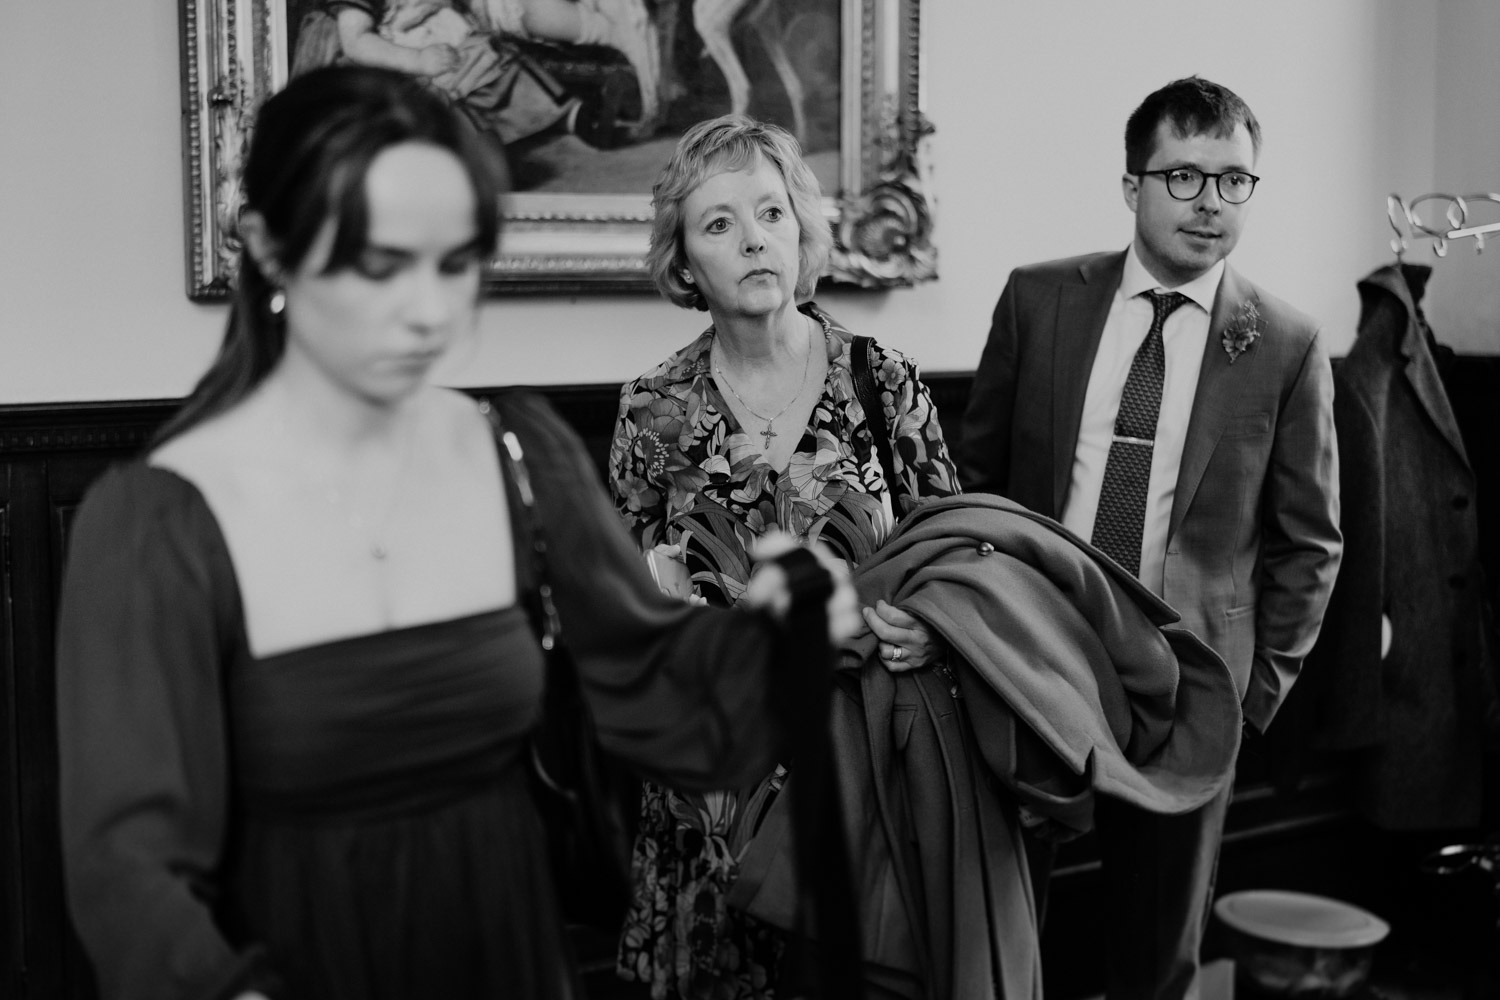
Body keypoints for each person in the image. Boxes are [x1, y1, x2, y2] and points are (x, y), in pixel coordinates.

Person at [55, 65, 858, 1000]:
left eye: (452, 263)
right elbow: (129, 871)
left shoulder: (514, 454)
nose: (429, 310)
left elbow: (659, 681)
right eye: (379, 263)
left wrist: (776, 627)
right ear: (270, 248)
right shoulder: (157, 523)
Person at [956, 76, 1342, 1000]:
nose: (1211, 202)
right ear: (1133, 185)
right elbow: (975, 484)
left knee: (1157, 950)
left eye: (1234, 180)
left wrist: (1250, 696)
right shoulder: (1040, 300)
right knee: (998, 929)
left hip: (1190, 684)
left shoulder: (1286, 342)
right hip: (1034, 659)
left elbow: (1310, 542)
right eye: (1184, 176)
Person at [608, 113, 959, 998]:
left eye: (771, 213)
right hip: (712, 792)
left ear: (801, 230)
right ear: (685, 262)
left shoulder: (883, 380)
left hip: (864, 772)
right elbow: (633, 613)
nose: (753, 240)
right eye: (719, 224)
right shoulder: (651, 410)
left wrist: (930, 628)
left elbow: (955, 560)